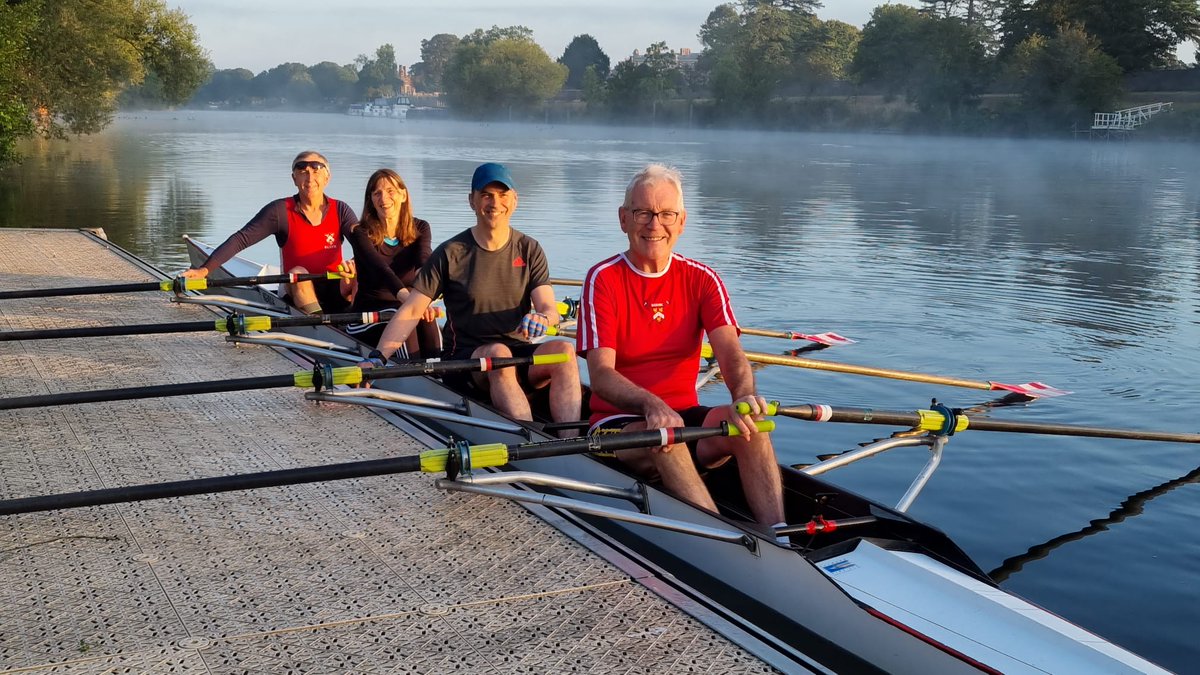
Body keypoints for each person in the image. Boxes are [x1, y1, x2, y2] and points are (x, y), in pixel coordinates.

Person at [575, 164, 785, 528]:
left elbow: (731, 355)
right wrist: (652, 404)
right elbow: (601, 375)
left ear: (682, 221)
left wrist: (744, 396)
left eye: (666, 214)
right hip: (616, 425)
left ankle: (780, 537)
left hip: (684, 415)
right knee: (665, 437)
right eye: (643, 213)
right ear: (624, 219)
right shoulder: (603, 279)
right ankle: (720, 541)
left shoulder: (703, 279)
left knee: (750, 425)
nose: (655, 225)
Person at [366, 162, 580, 428]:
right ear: (472, 200)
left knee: (564, 351)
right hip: (465, 363)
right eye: (486, 195)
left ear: (514, 201)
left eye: (502, 195)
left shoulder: (529, 249)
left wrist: (544, 319)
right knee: (499, 353)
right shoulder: (451, 253)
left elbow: (548, 307)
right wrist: (377, 357)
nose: (495, 203)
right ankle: (531, 442)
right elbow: (411, 311)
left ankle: (570, 440)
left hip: (519, 353)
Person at [181, 150, 357, 314]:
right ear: (294, 179)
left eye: (317, 170)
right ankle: (320, 324)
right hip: (295, 287)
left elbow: (365, 246)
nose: (310, 177)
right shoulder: (279, 211)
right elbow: (242, 239)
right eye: (302, 170)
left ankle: (358, 323)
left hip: (334, 284)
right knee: (299, 273)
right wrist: (204, 270)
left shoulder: (340, 209)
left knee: (361, 272)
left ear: (327, 178)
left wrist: (355, 263)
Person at [341, 168, 440, 357]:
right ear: (370, 200)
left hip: (404, 306)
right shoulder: (361, 233)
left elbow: (423, 261)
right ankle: (412, 373)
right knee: (405, 314)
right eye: (377, 193)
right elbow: (382, 271)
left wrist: (427, 294)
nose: (384, 198)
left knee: (427, 319)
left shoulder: (421, 227)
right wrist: (413, 303)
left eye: (390, 191)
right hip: (365, 318)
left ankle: (439, 371)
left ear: (403, 195)